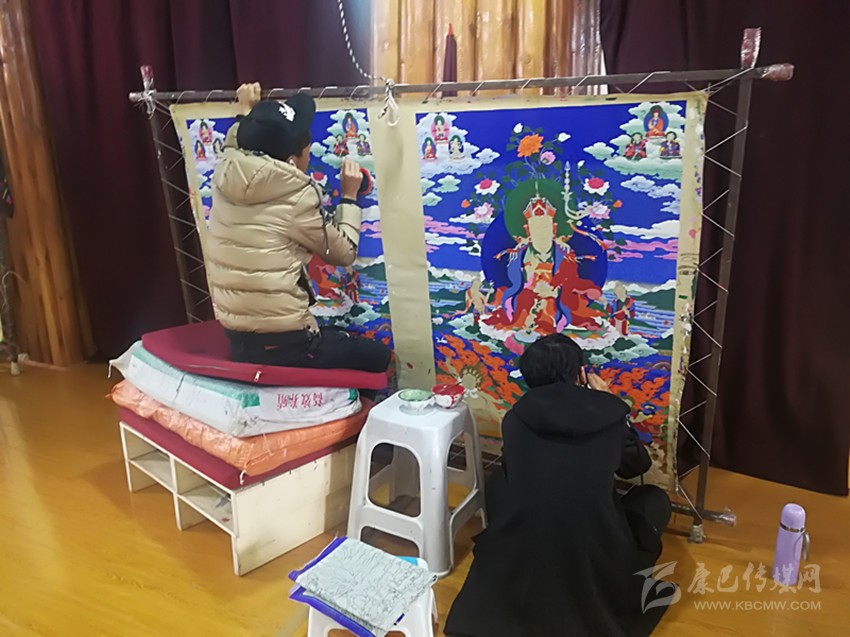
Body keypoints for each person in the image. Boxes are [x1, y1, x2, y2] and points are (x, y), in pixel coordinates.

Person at [445, 334, 675, 637]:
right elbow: (637, 467)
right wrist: (611, 402)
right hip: (596, 554)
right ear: (582, 374)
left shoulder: (516, 418)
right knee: (654, 500)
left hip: (523, 548)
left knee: (498, 481)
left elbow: (513, 471)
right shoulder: (608, 414)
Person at [205, 83, 391, 375]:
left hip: (239, 338)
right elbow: (343, 253)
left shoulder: (226, 168)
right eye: (308, 149)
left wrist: (249, 112)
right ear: (292, 161)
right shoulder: (297, 195)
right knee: (377, 356)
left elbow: (236, 143)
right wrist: (349, 196)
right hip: (285, 345)